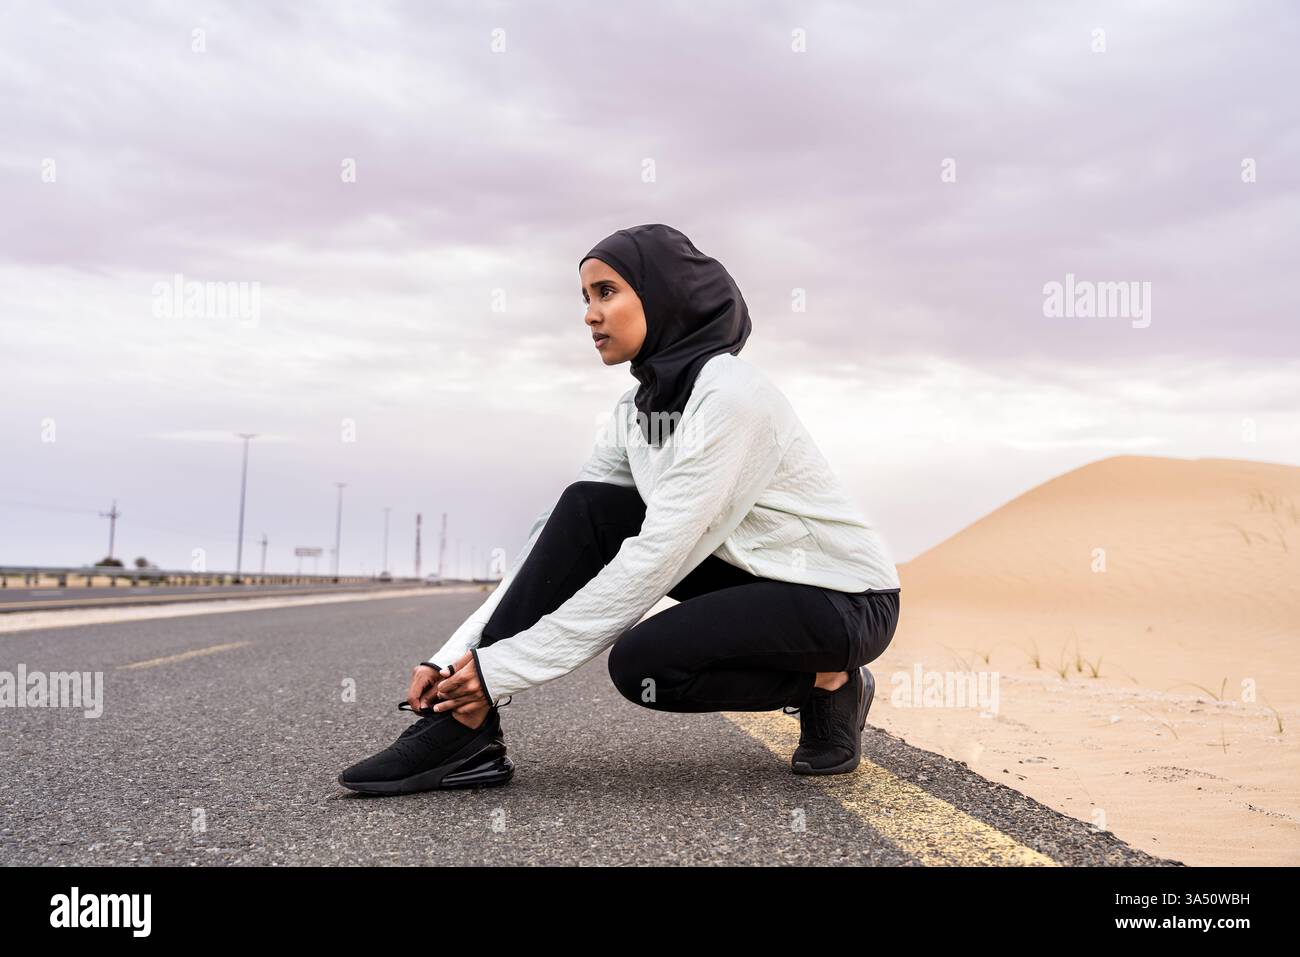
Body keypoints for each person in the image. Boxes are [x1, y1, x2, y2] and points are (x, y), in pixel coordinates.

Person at [338, 224, 901, 795]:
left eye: (606, 292)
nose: (589, 314)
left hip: (842, 599)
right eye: (586, 298)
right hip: (747, 577)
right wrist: (457, 657)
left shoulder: (731, 397)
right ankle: (464, 725)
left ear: (663, 296)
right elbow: (561, 539)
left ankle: (829, 681)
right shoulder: (637, 407)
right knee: (589, 506)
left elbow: (658, 555)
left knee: (645, 667)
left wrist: (500, 670)